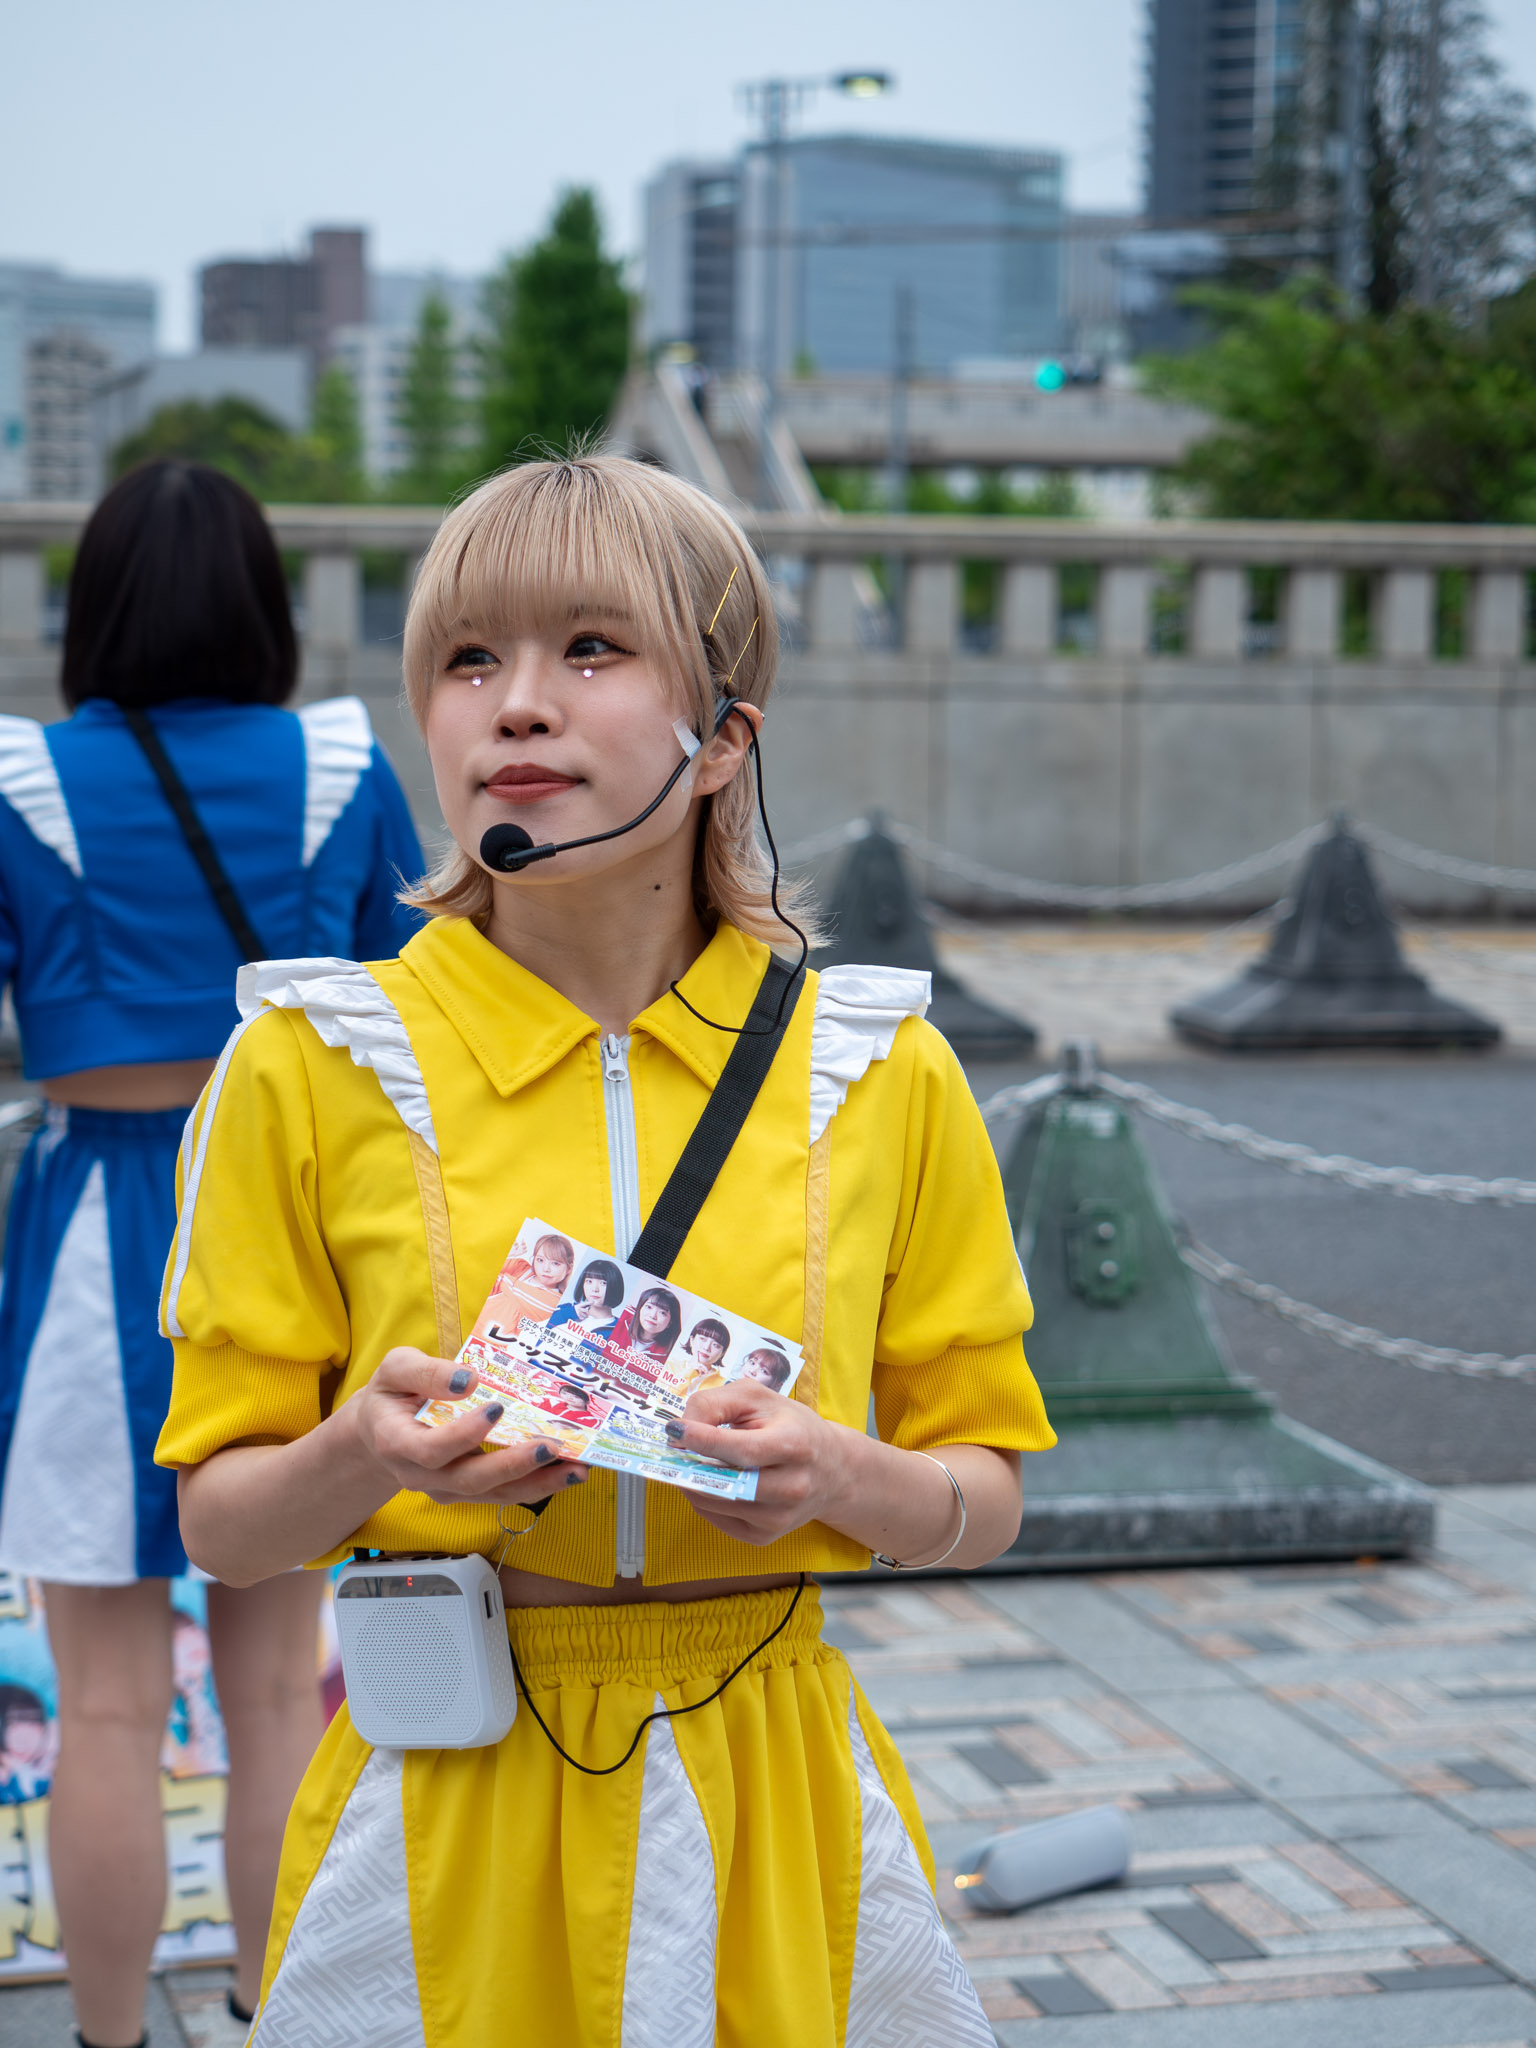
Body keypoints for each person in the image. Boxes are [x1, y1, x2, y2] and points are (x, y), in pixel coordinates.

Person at [157, 452, 1055, 2047]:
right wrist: (366, 1453)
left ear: (724, 740)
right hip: (438, 1790)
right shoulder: (311, 1062)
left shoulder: (877, 1066)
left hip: (770, 1774)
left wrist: (841, 1476)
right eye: (466, 659)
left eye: (590, 648)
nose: (516, 706)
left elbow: (983, 1497)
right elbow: (222, 1531)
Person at [0, 459, 425, 2048]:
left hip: (95, 1229)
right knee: (273, 1701)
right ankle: (277, 2020)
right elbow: (412, 1023)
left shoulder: (27, 781)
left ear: (90, 603)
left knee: (104, 1705)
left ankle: (108, 2041)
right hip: (286, 1237)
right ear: (262, 602)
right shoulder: (338, 764)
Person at [544, 1257, 626, 1337]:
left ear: (615, 1286)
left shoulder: (618, 1331)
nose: (595, 1289)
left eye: (603, 1283)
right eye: (589, 1281)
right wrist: (569, 1313)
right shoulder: (565, 1309)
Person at [610, 1284, 684, 1365]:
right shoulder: (620, 1318)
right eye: (649, 1307)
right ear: (639, 1308)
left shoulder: (671, 1354)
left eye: (662, 1313)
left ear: (670, 1323)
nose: (653, 1316)